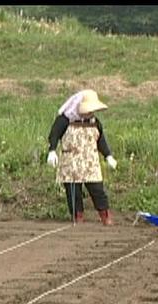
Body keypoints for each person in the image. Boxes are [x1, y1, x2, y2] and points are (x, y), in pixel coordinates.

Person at [46, 89, 118, 225]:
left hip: (90, 162)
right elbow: (54, 135)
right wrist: (52, 150)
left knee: (97, 189)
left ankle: (105, 215)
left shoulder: (94, 122)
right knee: (73, 191)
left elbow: (100, 140)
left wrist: (108, 156)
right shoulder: (64, 120)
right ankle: (77, 216)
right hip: (71, 162)